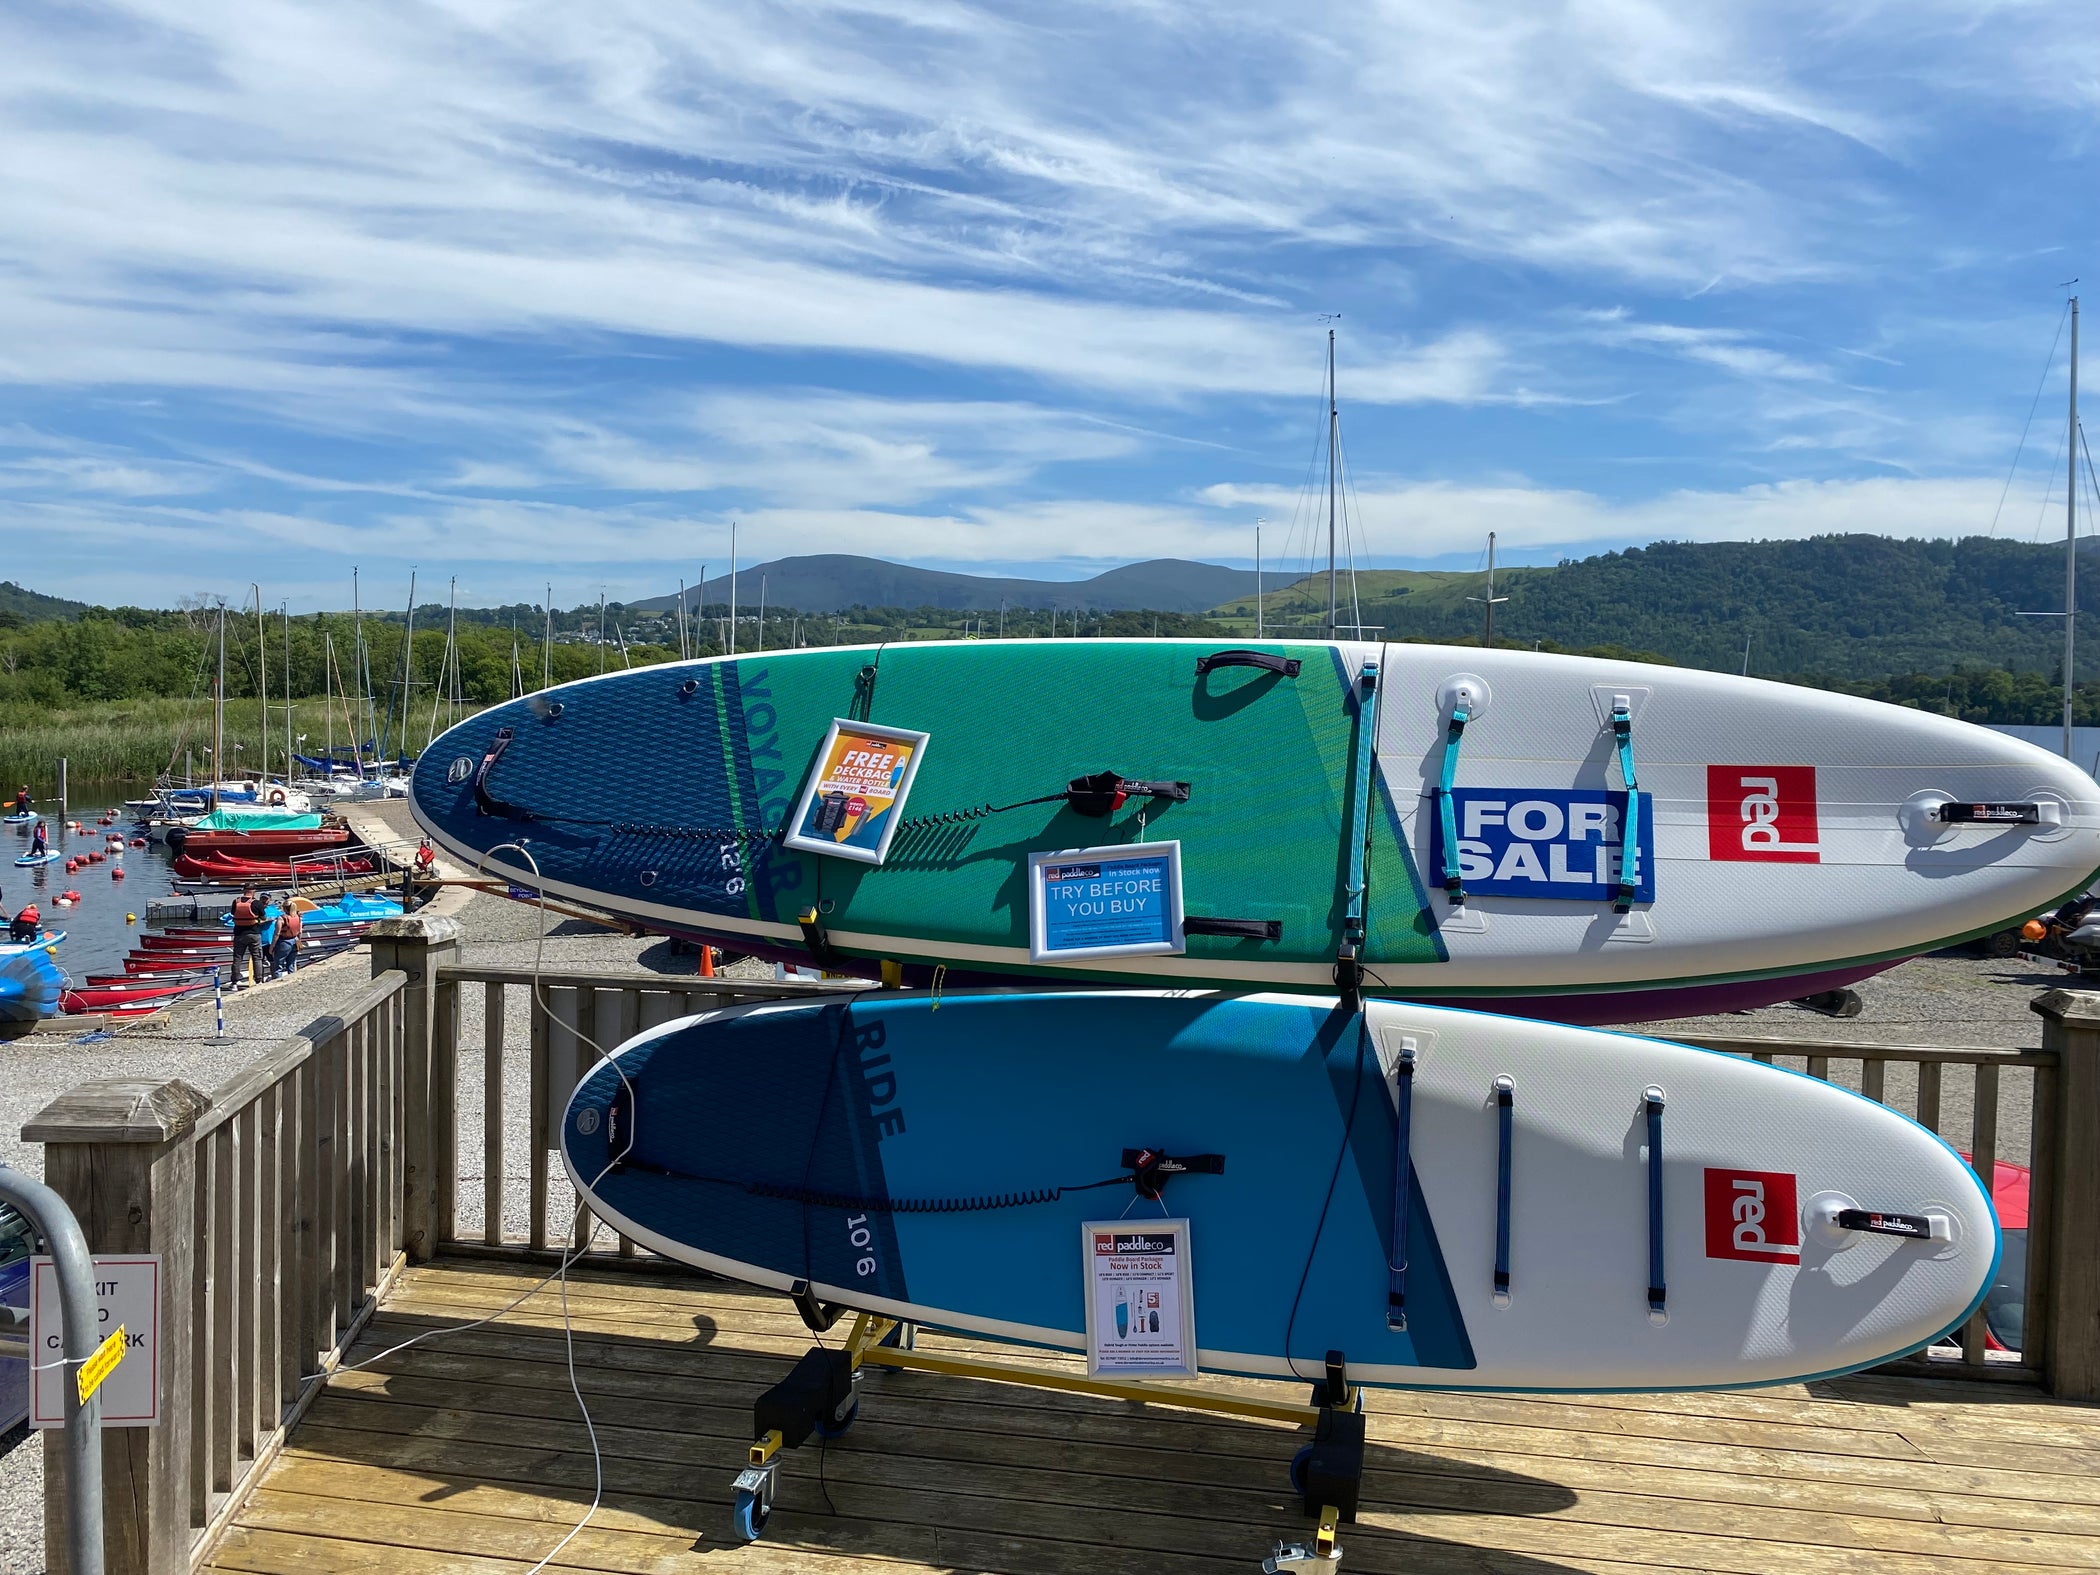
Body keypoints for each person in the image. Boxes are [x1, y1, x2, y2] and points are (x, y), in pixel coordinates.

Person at [229, 887, 265, 989]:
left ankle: (234, 982)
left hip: (239, 934)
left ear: (243, 891)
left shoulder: (236, 901)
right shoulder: (257, 903)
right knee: (257, 957)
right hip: (254, 934)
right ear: (253, 891)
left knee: (237, 958)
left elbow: (232, 913)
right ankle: (258, 981)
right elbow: (263, 917)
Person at [270, 892, 303, 978]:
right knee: (291, 965)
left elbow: (276, 933)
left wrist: (272, 946)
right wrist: (299, 941)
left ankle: (277, 982)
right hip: (295, 941)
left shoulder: (282, 918)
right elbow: (300, 931)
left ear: (284, 908)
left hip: (284, 942)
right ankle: (291, 980)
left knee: (278, 966)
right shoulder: (298, 917)